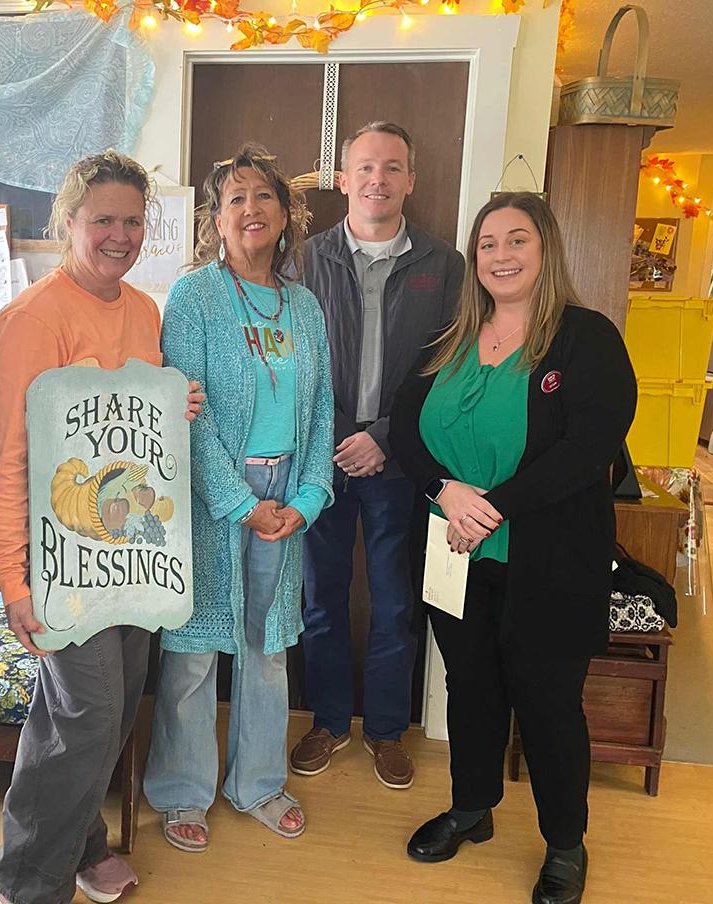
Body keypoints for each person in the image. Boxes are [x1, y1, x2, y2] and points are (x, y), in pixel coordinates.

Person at [389, 192, 638, 904]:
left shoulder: (585, 338)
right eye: (488, 243)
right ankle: (473, 809)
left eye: (516, 240)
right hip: (454, 552)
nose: (501, 255)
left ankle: (565, 844)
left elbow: (587, 451)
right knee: (469, 687)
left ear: (545, 249)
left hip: (548, 559)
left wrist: (491, 505)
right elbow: (405, 429)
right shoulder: (451, 336)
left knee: (548, 701)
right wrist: (444, 491)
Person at [0, 150, 204, 904]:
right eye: (103, 219)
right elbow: (8, 462)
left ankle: (81, 844)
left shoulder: (143, 310)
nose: (119, 234)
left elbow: (135, 432)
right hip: (58, 563)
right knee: (84, 716)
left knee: (111, 712)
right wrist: (13, 579)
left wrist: (176, 410)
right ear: (69, 221)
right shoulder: (29, 323)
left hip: (133, 555)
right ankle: (23, 881)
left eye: (133, 221)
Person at [142, 144, 334, 852]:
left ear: (286, 215)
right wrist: (236, 501)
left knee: (268, 646)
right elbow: (183, 415)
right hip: (211, 498)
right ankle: (182, 789)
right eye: (234, 200)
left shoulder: (305, 306)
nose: (250, 210)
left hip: (285, 499)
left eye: (263, 197)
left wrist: (307, 497)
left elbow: (322, 412)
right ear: (215, 220)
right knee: (193, 653)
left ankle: (257, 782)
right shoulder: (194, 296)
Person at [293, 121, 463, 789]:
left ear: (411, 181)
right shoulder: (305, 258)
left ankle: (388, 730)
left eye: (393, 168)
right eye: (365, 167)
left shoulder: (443, 265)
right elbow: (296, 359)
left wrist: (386, 436)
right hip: (322, 455)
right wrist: (342, 435)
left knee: (396, 601)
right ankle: (330, 721)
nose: (377, 180)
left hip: (403, 459)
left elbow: (447, 368)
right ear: (343, 179)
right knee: (321, 598)